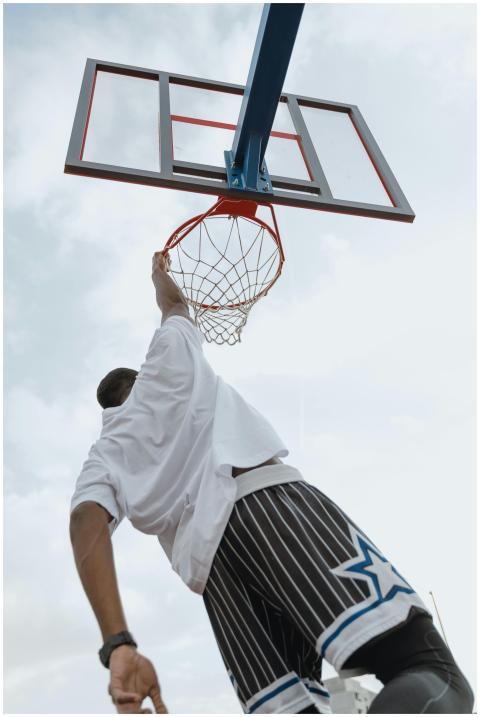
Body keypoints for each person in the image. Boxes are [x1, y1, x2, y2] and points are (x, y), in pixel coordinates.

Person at [69, 252, 474, 715]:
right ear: (137, 379)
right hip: (263, 505)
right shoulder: (165, 363)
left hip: (216, 574)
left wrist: (117, 642)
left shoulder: (105, 452)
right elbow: (174, 306)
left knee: (295, 709)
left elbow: (85, 520)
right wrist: (159, 275)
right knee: (427, 671)